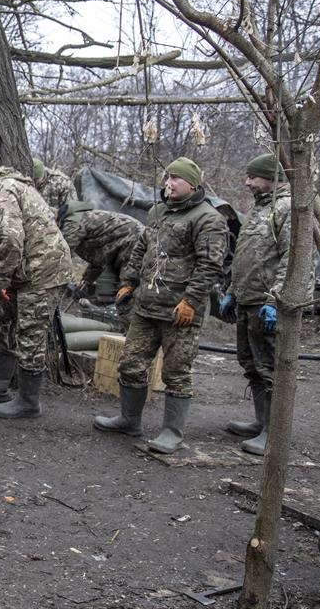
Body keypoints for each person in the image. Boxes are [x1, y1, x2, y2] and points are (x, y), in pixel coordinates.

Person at [94, 157, 228, 454]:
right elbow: (141, 248)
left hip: (179, 312)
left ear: (192, 183)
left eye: (175, 179)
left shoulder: (208, 219)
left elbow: (210, 265)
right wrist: (127, 281)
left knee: (176, 372)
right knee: (130, 364)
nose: (168, 184)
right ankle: (129, 420)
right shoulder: (159, 212)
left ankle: (172, 432)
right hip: (146, 306)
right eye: (166, 178)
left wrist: (191, 301)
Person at [0, 159, 73, 419]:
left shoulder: (0, 191)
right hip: (26, 270)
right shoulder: (5, 187)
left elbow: (10, 238)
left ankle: (28, 402)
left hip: (43, 272)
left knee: (30, 332)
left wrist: (2, 281)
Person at [219, 153, 289, 456]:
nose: (247, 182)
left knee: (271, 368)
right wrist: (232, 291)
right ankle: (261, 422)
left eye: (253, 177)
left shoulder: (287, 209)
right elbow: (247, 256)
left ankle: (274, 434)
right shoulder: (261, 210)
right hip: (248, 301)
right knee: (252, 365)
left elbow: (293, 259)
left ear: (272, 178)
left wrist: (276, 300)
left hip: (266, 305)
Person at [57, 201, 143, 298]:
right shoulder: (81, 219)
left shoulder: (74, 223)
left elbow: (62, 256)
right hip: (131, 236)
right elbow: (99, 258)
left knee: (128, 286)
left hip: (132, 238)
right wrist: (86, 281)